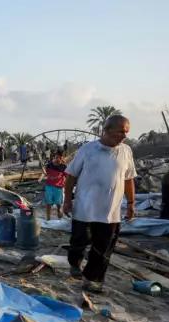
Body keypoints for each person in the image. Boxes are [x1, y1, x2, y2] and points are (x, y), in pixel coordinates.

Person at [63, 115, 136, 293]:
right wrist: (67, 201)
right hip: (85, 208)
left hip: (111, 210)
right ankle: (75, 263)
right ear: (107, 130)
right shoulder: (88, 149)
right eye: (120, 131)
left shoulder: (126, 151)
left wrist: (131, 203)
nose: (124, 135)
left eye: (126, 131)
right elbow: (71, 176)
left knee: (103, 248)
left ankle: (91, 279)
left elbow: (128, 179)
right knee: (79, 242)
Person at [44, 150, 68, 220]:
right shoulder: (49, 165)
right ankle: (48, 218)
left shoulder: (64, 167)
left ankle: (59, 218)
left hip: (58, 187)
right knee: (48, 203)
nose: (58, 159)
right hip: (49, 186)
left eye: (60, 158)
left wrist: (65, 186)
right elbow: (46, 174)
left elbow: (67, 177)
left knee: (58, 204)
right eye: (57, 157)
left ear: (62, 158)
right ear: (54, 157)